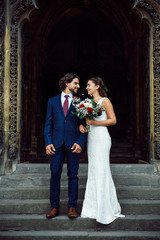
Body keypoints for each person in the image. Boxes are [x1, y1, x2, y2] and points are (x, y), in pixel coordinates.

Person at [80, 77, 125, 224]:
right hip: (92, 139)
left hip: (102, 139)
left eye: (89, 85)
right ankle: (93, 208)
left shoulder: (105, 101)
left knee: (101, 170)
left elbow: (113, 120)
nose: (86, 88)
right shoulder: (89, 103)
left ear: (97, 86)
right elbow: (88, 123)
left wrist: (93, 122)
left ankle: (105, 209)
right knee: (94, 170)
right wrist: (85, 127)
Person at [44, 73, 86, 219]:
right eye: (76, 83)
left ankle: (72, 207)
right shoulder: (52, 101)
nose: (78, 86)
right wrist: (48, 142)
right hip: (56, 144)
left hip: (73, 144)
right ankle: (54, 207)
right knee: (55, 173)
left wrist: (80, 142)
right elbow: (48, 124)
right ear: (67, 83)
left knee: (73, 175)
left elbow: (85, 126)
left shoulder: (81, 102)